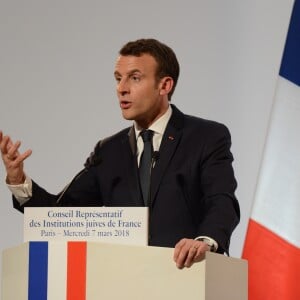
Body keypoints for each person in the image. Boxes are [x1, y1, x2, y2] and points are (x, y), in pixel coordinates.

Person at [0, 38, 240, 269]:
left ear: (164, 85)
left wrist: (204, 241)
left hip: (187, 274)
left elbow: (221, 201)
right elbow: (60, 214)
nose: (121, 89)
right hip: (125, 280)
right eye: (118, 79)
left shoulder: (205, 136)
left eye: (134, 78)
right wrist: (18, 180)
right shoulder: (109, 151)